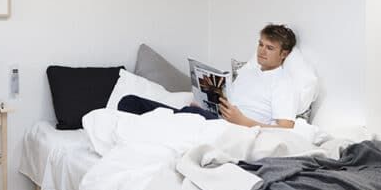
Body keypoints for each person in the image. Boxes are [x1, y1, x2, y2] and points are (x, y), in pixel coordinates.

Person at [118, 24, 302, 128]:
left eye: (269, 48)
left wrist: (243, 122)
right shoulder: (248, 73)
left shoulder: (283, 83)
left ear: (284, 54)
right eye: (260, 44)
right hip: (214, 118)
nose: (261, 51)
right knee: (130, 101)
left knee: (186, 116)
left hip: (234, 129)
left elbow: (285, 129)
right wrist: (206, 102)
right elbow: (227, 101)